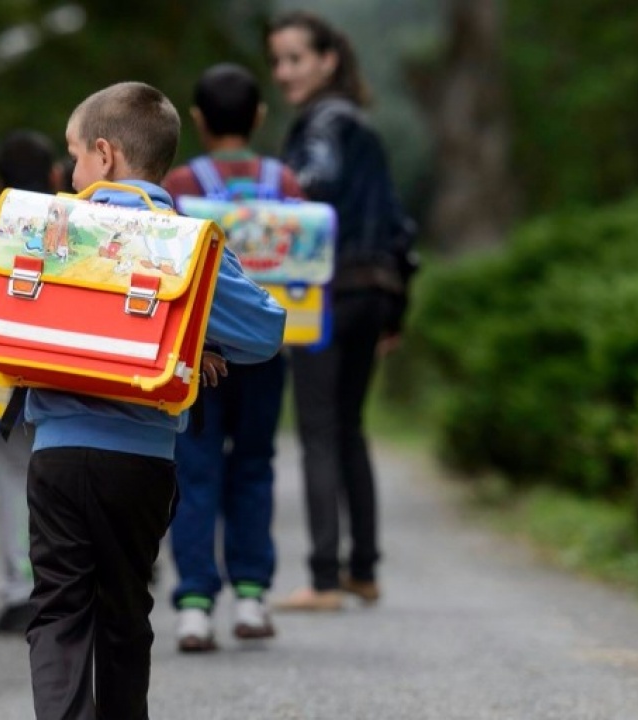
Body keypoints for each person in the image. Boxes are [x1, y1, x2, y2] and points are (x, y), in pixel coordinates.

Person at [26, 81, 286, 720]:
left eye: (77, 155)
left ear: (106, 156)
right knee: (123, 611)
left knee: (58, 607)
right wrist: (194, 333)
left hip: (55, 453)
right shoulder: (186, 241)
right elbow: (265, 332)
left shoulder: (51, 229)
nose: (73, 170)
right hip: (139, 462)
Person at [267, 10, 418, 612]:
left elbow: (314, 183)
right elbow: (403, 229)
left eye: (295, 59)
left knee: (319, 431)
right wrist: (396, 312)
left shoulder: (322, 123)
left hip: (330, 294)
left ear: (327, 61)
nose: (283, 73)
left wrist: (274, 191)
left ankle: (324, 579)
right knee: (351, 428)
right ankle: (364, 570)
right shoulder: (365, 126)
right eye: (277, 61)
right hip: (377, 288)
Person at [160, 63, 304, 652]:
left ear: (196, 119)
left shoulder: (181, 185)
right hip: (266, 355)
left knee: (193, 471)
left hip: (198, 354)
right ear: (260, 116)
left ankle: (194, 604)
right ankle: (251, 597)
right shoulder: (287, 182)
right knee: (253, 466)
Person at [0, 130, 62, 635]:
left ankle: (21, 590)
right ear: (57, 174)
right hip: (69, 380)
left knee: (14, 481)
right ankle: (69, 584)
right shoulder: (82, 230)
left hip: (9, 385)